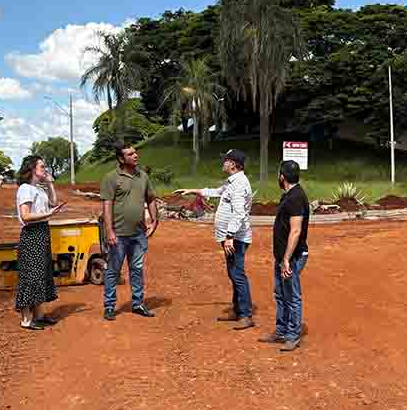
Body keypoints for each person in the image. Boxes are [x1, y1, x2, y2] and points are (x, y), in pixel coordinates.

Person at [175, 149, 255, 331]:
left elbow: (239, 214)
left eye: (226, 160)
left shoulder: (239, 185)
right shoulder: (232, 182)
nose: (223, 163)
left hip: (236, 239)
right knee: (234, 273)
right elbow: (216, 191)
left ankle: (245, 314)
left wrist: (229, 237)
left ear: (233, 164)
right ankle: (238, 310)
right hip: (232, 237)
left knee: (237, 274)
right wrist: (193, 191)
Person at [100, 141, 159, 321]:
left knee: (137, 269)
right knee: (113, 271)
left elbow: (151, 198)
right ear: (120, 158)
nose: (135, 156)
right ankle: (109, 306)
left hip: (138, 233)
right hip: (118, 234)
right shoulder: (111, 178)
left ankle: (138, 304)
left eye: (135, 152)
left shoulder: (143, 176)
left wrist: (154, 220)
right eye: (130, 154)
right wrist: (109, 231)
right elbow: (107, 206)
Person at [260, 160, 309, 352]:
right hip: (283, 257)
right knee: (280, 293)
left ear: (282, 176)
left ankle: (292, 335)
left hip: (293, 257)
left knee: (291, 295)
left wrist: (287, 259)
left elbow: (295, 231)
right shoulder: (288, 195)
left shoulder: (296, 198)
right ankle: (281, 331)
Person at [15, 155, 64, 330]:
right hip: (32, 234)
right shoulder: (26, 188)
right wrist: (49, 215)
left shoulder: (39, 190)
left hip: (42, 232)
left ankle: (40, 315)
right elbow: (26, 216)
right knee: (31, 276)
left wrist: (50, 183)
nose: (45, 169)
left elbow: (53, 202)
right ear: (32, 169)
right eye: (42, 167)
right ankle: (27, 320)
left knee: (41, 273)